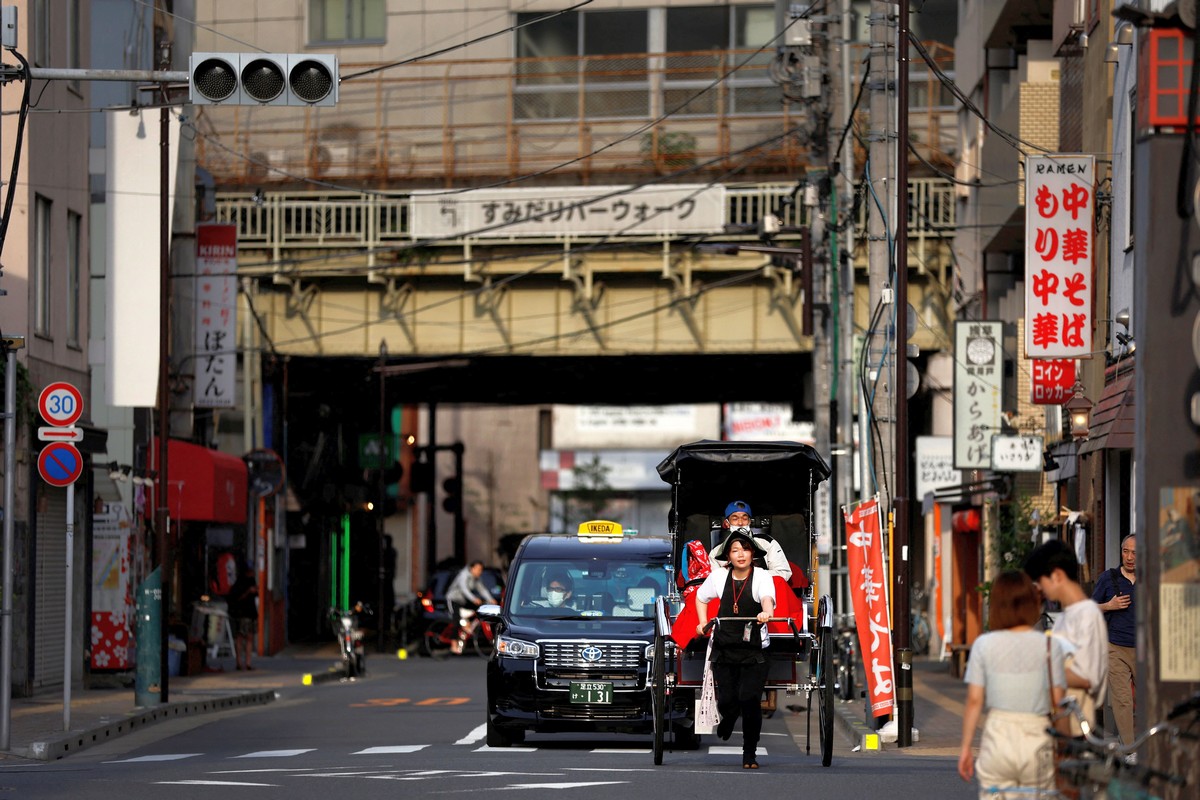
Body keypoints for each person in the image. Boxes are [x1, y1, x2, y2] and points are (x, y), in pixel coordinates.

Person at [958, 570, 1067, 797]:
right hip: (1038, 736)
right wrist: (1064, 751)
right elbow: (1059, 703)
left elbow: (975, 700)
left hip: (998, 736)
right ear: (1032, 603)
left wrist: (966, 747)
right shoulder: (1050, 646)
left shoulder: (984, 644)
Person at [695, 530, 776, 769]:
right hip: (724, 647)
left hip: (754, 651)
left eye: (746, 549)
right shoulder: (719, 577)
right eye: (735, 550)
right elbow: (701, 598)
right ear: (728, 556)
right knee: (728, 699)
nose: (741, 555)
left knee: (749, 699)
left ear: (753, 554)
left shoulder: (762, 576)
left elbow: (767, 598)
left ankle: (749, 753)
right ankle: (728, 717)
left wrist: (767, 613)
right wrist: (702, 623)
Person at [1024, 538, 1108, 736]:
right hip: (1060, 722)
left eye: (1040, 582)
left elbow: (1088, 677)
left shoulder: (1087, 614)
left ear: (1057, 576)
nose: (1040, 590)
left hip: (1076, 726)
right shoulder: (1066, 616)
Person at [1091, 533, 1136, 744]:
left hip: (1146, 649)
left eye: (1134, 552)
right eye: (1125, 551)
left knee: (1148, 701)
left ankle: (1150, 747)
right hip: (1115, 647)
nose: (1129, 557)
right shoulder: (1108, 578)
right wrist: (1109, 606)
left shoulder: (1153, 578)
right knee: (1122, 700)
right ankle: (1130, 749)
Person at [715, 500, 791, 581]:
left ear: (749, 521)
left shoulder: (767, 543)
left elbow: (784, 573)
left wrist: (753, 576)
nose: (740, 523)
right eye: (735, 519)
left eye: (744, 518)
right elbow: (714, 580)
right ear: (727, 523)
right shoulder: (716, 551)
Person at [445, 561, 496, 649]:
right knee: (456, 620)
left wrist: (491, 599)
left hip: (464, 600)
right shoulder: (463, 575)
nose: (480, 572)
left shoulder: (476, 578)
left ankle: (466, 626)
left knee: (479, 609)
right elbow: (464, 589)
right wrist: (473, 599)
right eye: (478, 569)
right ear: (472, 568)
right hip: (453, 599)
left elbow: (482, 589)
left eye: (481, 570)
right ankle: (453, 644)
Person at [227, 564, 258, 671]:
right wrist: (248, 591)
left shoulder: (252, 581)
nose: (252, 573)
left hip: (251, 613)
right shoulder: (239, 584)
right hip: (242, 613)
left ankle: (248, 663)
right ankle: (239, 662)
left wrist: (255, 591)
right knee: (240, 638)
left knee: (249, 638)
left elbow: (256, 595)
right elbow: (236, 598)